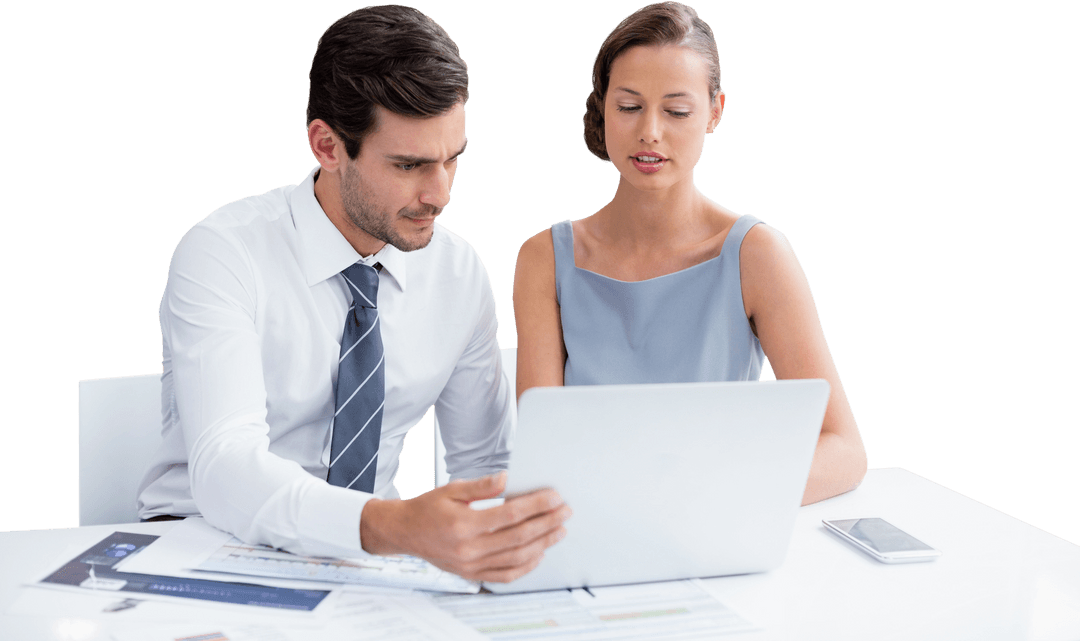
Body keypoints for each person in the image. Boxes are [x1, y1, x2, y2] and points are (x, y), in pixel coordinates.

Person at [137, 5, 569, 583]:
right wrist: (396, 527)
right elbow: (226, 469)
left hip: (366, 564)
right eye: (410, 165)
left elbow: (484, 466)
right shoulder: (224, 252)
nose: (440, 195)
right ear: (328, 146)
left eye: (453, 160)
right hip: (201, 547)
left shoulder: (457, 271)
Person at [513, 1, 868, 505]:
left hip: (714, 522)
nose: (650, 132)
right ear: (603, 106)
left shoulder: (756, 255)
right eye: (629, 107)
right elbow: (543, 451)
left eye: (676, 111)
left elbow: (844, 449)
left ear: (715, 112)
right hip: (590, 523)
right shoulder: (544, 258)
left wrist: (713, 495)